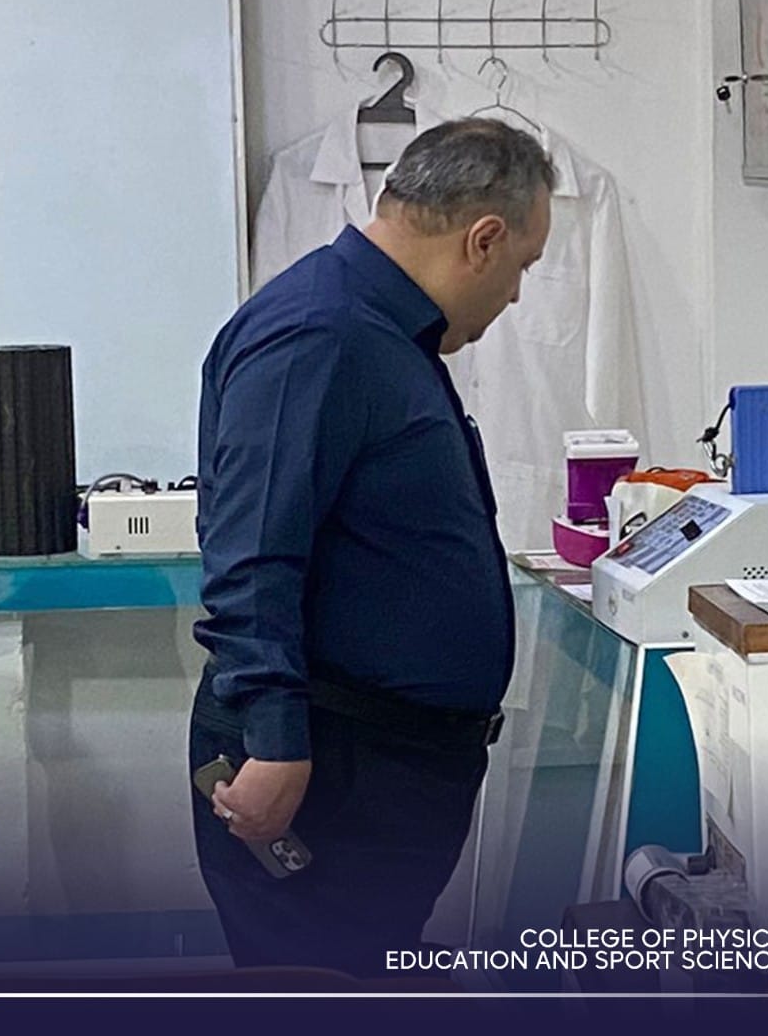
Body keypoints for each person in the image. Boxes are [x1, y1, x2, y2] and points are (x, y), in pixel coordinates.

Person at [191, 118, 554, 977]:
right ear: (482, 239)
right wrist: (275, 741)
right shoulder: (321, 334)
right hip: (332, 762)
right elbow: (251, 553)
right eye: (521, 266)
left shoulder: (380, 334)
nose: (514, 295)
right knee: (318, 991)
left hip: (383, 762)